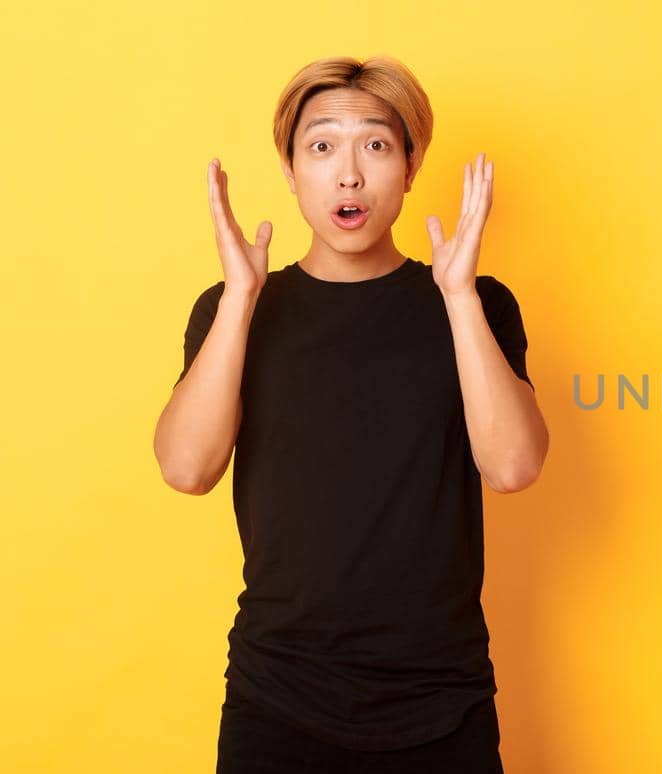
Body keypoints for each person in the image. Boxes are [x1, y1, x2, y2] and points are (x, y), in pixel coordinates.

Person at [151, 55, 550, 773]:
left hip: (441, 702)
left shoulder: (478, 304)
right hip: (276, 700)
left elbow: (514, 466)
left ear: (410, 164)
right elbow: (187, 468)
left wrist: (456, 297)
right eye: (322, 145)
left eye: (375, 144)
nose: (349, 174)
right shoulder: (233, 311)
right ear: (290, 167)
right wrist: (242, 299)